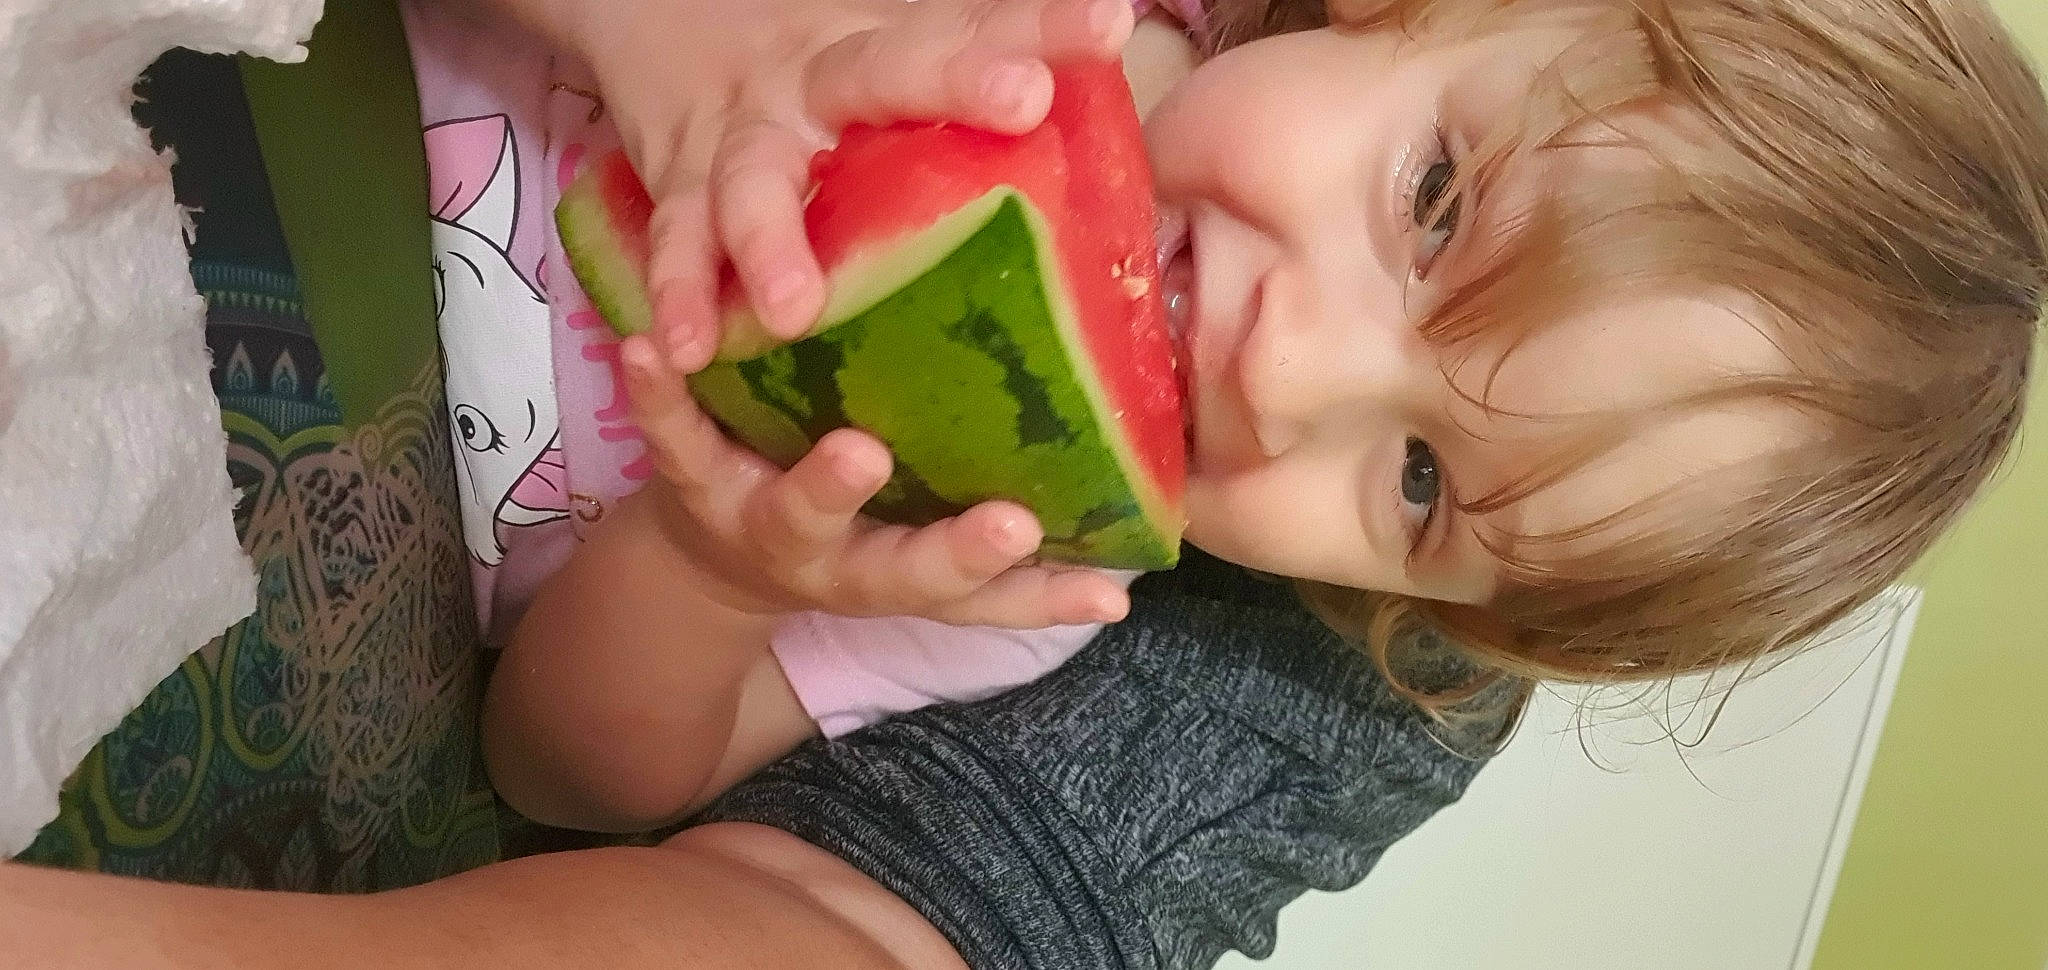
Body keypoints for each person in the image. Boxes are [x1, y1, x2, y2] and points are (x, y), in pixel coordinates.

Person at [464, 0, 2048, 840]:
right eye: (1435, 205)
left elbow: (557, 771)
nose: (1286, 381)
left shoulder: (1011, 578)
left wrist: (715, 567)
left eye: (1419, 481)